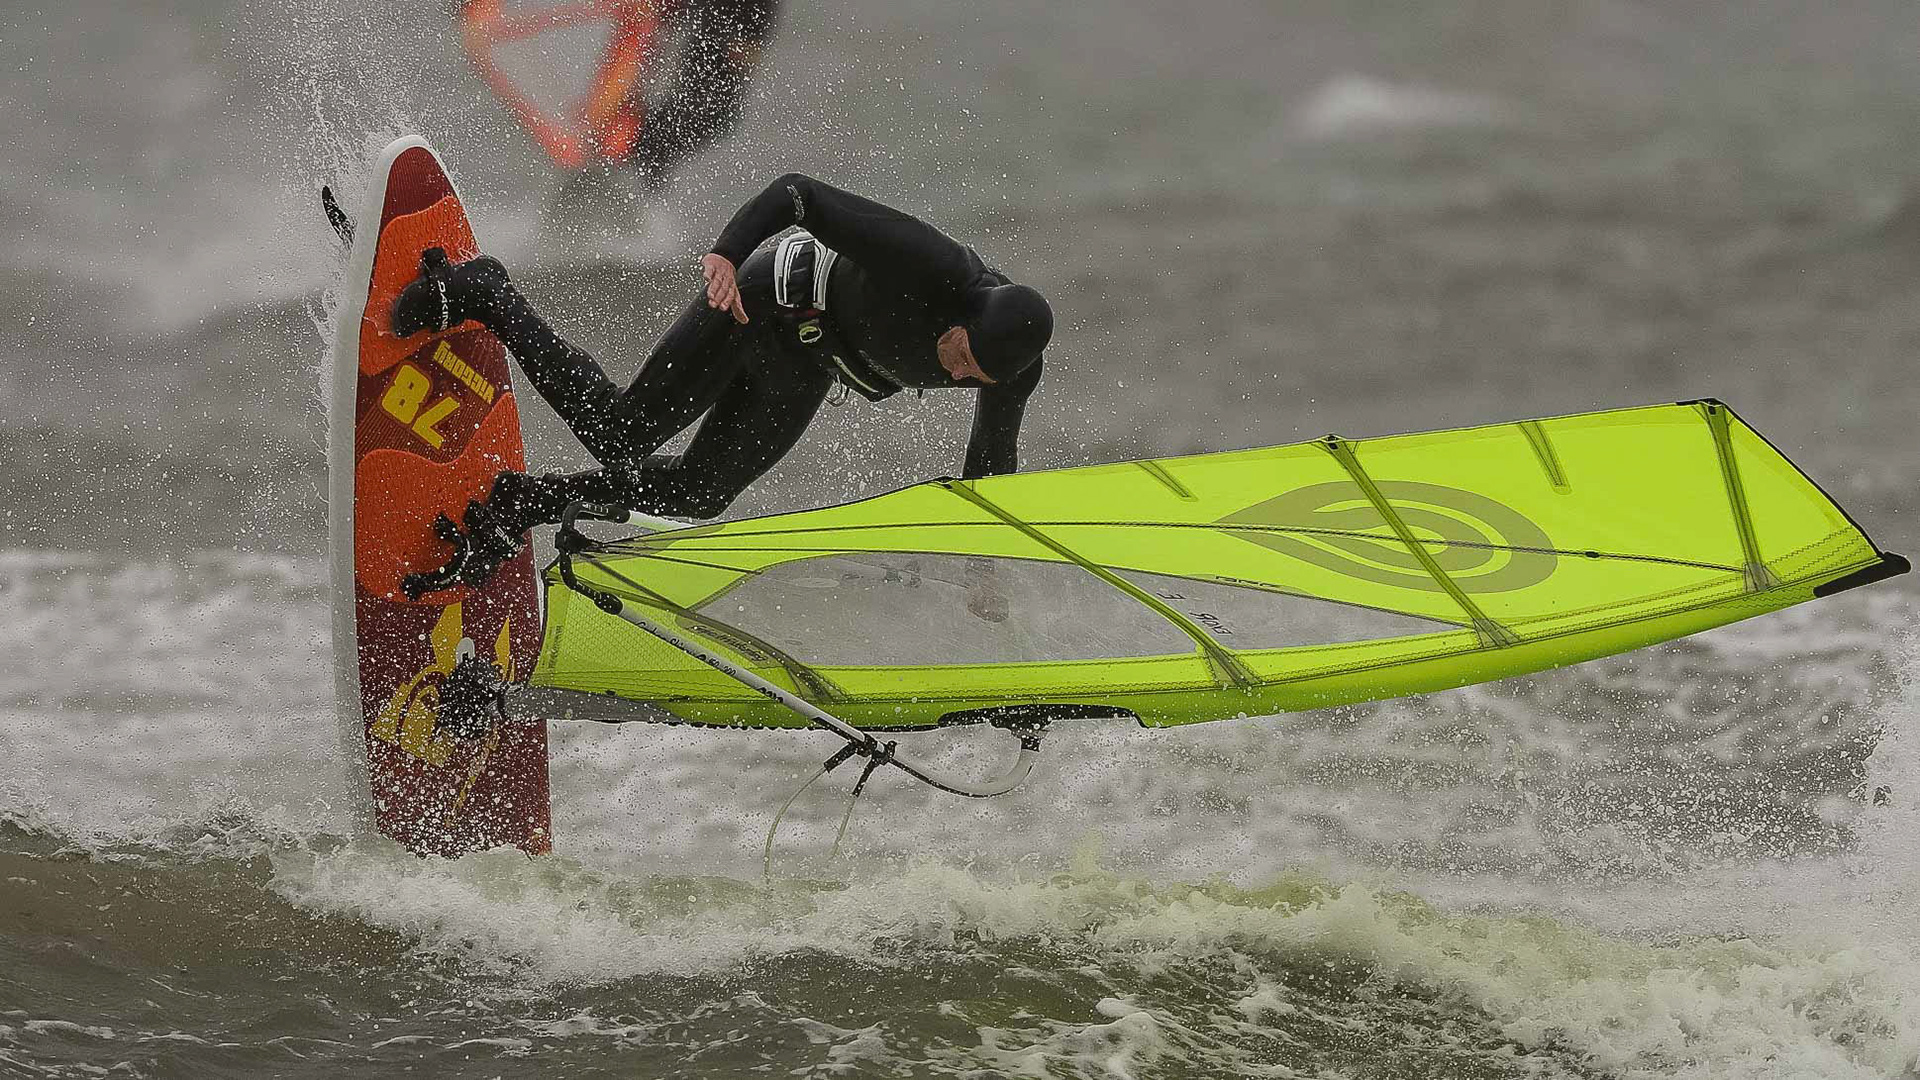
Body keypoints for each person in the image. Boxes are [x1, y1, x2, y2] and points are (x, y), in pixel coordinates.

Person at [392, 172, 1054, 585]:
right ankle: (489, 294)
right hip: (762, 304)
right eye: (962, 356)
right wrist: (728, 254)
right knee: (623, 433)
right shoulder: (933, 265)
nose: (956, 374)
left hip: (809, 362)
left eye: (972, 378)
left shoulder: (1006, 369)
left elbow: (988, 468)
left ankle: (518, 505)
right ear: (965, 315)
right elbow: (800, 195)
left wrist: (986, 568)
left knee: (700, 494)